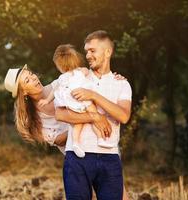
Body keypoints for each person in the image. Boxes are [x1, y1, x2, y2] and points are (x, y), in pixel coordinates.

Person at [55, 30, 132, 200]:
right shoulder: (76, 77)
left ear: (107, 52)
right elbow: (60, 114)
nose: (88, 55)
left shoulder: (122, 84)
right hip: (77, 158)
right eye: (86, 51)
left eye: (92, 50)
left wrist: (93, 95)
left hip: (109, 158)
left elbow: (124, 116)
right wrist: (95, 116)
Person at [38, 44, 114, 158]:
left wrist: (47, 100)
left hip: (77, 102)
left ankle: (78, 142)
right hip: (83, 101)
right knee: (93, 116)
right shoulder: (81, 71)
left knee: (79, 123)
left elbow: (54, 90)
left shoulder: (64, 77)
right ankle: (99, 139)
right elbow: (96, 76)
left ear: (60, 66)